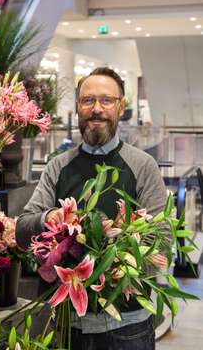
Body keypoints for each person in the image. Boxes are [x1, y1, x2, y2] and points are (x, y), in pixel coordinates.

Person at [16, 67, 168, 350]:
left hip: (127, 327)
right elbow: (23, 230)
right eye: (88, 101)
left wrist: (113, 265)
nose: (96, 109)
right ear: (77, 107)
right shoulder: (57, 167)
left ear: (121, 106)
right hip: (65, 326)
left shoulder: (143, 166)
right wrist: (50, 218)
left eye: (106, 100)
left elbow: (161, 243)